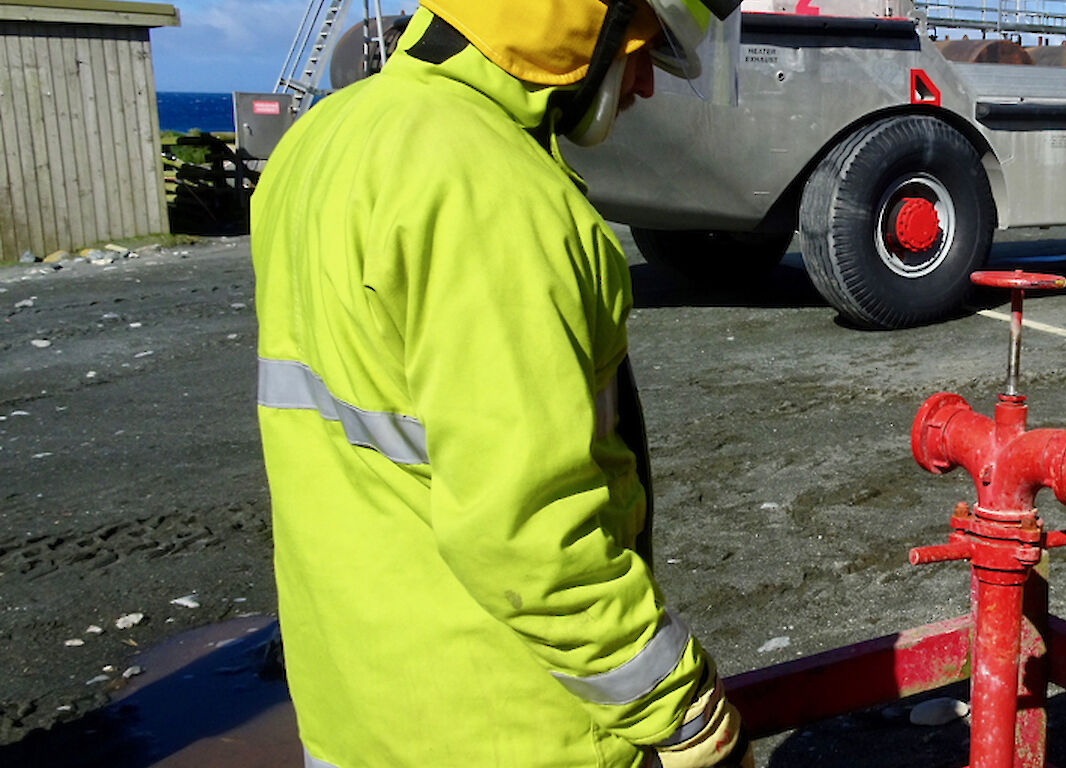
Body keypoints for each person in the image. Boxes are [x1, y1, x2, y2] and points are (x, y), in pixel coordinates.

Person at [251, 0, 750, 765]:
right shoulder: (490, 190)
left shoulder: (323, 137)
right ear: (585, 22)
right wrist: (680, 709)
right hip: (499, 726)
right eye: (646, 48)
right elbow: (531, 534)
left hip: (358, 711)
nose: (646, 83)